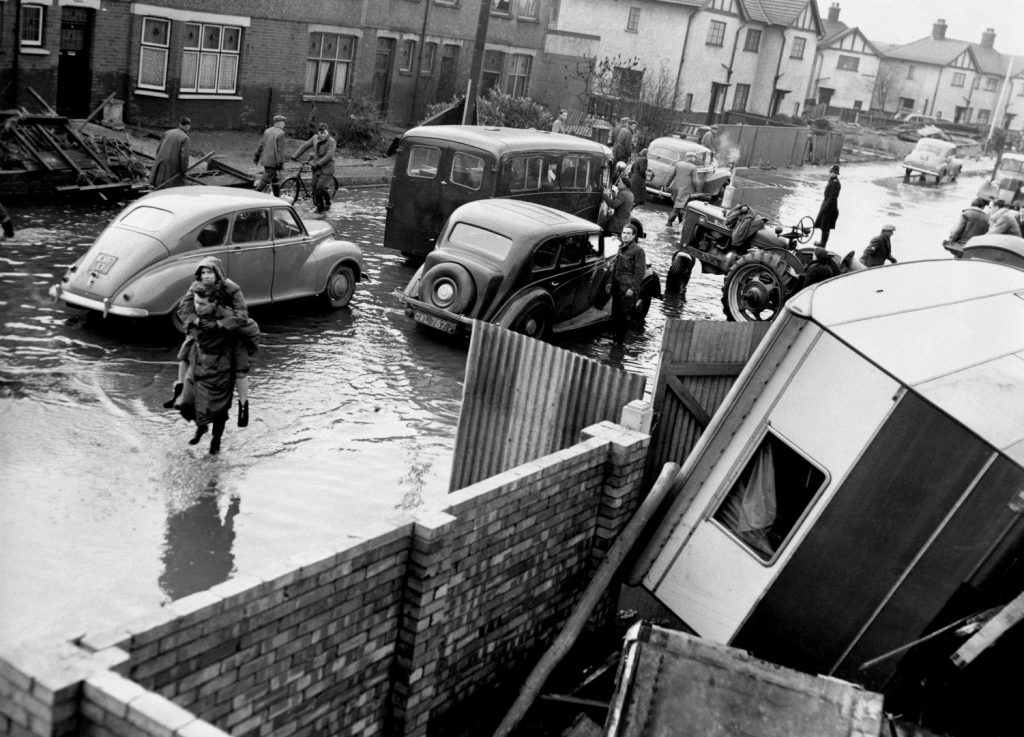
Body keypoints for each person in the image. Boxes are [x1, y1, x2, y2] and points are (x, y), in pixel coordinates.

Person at [164, 257, 253, 428]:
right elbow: (183, 308)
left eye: (209, 272)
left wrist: (221, 324)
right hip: (203, 328)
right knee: (184, 353)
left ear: (217, 273)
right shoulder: (196, 286)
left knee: (241, 368)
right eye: (202, 273)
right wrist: (196, 321)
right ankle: (179, 391)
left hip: (229, 331)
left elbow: (242, 315)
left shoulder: (232, 288)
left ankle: (243, 405)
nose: (205, 276)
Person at [176, 285, 260, 454]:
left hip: (221, 369)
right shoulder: (194, 316)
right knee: (186, 404)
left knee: (219, 410)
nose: (198, 307)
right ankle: (202, 427)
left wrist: (222, 325)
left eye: (202, 304)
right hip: (198, 365)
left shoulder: (229, 320)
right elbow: (185, 322)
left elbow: (250, 328)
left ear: (214, 304)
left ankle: (216, 443)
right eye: (196, 302)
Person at [607, 222, 646, 344]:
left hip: (627, 288)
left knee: (625, 316)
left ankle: (619, 343)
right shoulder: (621, 248)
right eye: (623, 233)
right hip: (617, 286)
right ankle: (615, 340)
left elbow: (640, 272)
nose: (625, 235)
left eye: (628, 234)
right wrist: (609, 282)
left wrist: (633, 289)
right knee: (615, 314)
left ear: (634, 236)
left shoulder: (638, 251)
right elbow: (615, 267)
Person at [293, 123, 337, 213]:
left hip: (327, 169)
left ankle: (322, 206)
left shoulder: (332, 142)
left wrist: (318, 164)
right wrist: (295, 155)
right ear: (318, 132)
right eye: (320, 133)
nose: (322, 135)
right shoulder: (314, 138)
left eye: (324, 133)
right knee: (314, 188)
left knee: (320, 188)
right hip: (316, 168)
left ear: (327, 132)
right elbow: (305, 146)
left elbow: (329, 156)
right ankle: (322, 204)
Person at [148, 116, 191, 188]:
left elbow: (158, 149)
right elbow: (184, 157)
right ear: (187, 126)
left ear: (180, 124)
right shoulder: (185, 137)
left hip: (160, 163)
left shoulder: (167, 132)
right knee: (170, 188)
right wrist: (184, 170)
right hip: (171, 168)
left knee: (158, 185)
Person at [254, 114, 288, 195]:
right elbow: (280, 151)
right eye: (283, 123)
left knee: (275, 178)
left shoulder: (267, 131)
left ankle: (277, 196)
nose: (284, 125)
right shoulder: (281, 134)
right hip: (273, 162)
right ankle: (254, 194)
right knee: (265, 179)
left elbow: (261, 145)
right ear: (279, 123)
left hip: (265, 160)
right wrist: (280, 164)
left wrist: (256, 156)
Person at [665, 152, 699, 226]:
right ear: (692, 158)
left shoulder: (678, 164)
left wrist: (666, 185)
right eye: (695, 158)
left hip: (676, 189)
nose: (695, 159)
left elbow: (671, 175)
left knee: (680, 206)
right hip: (685, 190)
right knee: (678, 207)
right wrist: (697, 189)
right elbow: (695, 180)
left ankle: (680, 222)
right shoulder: (693, 167)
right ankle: (670, 222)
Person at [814, 165, 841, 246]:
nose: (831, 173)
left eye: (833, 172)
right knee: (824, 225)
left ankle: (823, 243)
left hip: (830, 208)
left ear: (836, 173)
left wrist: (824, 209)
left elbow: (832, 198)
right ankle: (822, 242)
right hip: (827, 205)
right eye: (831, 172)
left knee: (826, 227)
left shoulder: (835, 183)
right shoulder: (831, 181)